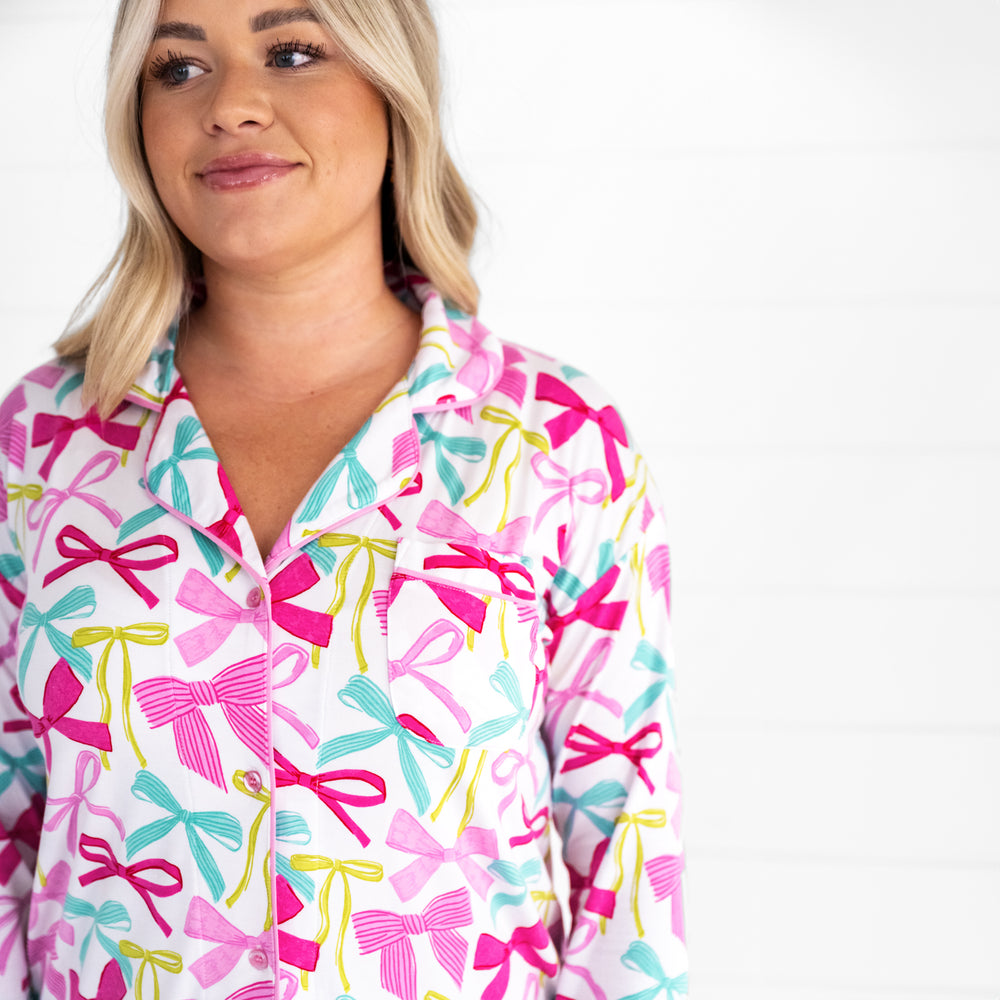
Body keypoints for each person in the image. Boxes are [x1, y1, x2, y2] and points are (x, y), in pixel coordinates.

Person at [0, 0, 687, 996]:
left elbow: (628, 857)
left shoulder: (553, 442)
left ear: (392, 88)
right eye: (178, 69)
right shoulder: (41, 443)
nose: (232, 103)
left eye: (291, 52)